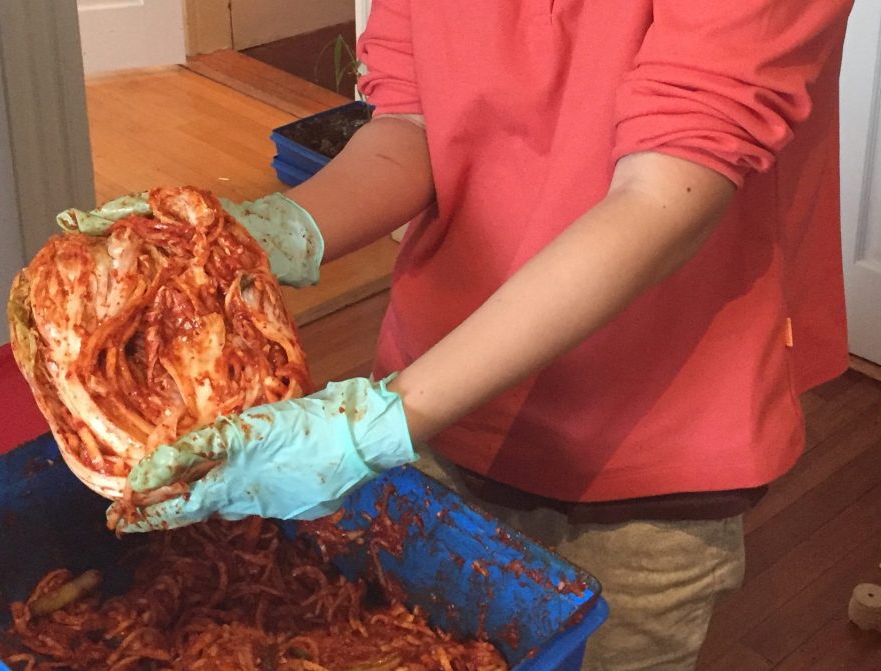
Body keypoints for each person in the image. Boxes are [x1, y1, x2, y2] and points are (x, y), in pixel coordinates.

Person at [119, 1, 856, 668]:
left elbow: (666, 190)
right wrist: (265, 235)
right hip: (442, 403)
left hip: (652, 445)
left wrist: (378, 423)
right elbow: (410, 121)